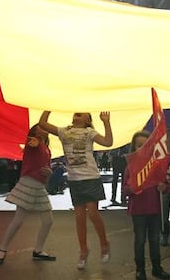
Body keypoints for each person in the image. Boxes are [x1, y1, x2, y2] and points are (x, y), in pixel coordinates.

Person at [39, 111, 112, 270]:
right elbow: (42, 124)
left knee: (92, 213)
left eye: (81, 114)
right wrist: (48, 108)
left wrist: (106, 122)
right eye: (75, 113)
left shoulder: (89, 132)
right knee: (79, 217)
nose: (76, 115)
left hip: (91, 177)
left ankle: (104, 243)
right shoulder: (64, 131)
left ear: (88, 119)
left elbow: (108, 142)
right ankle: (83, 250)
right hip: (74, 179)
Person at [0, 124, 55, 265]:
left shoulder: (47, 149)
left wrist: (49, 173)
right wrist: (32, 141)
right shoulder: (33, 142)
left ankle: (38, 251)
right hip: (28, 183)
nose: (44, 128)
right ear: (34, 131)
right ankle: (2, 249)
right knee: (19, 220)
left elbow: (47, 169)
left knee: (48, 221)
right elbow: (30, 144)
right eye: (40, 127)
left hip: (39, 186)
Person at [122, 130, 170, 280]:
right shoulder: (130, 168)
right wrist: (132, 189)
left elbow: (164, 184)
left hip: (155, 209)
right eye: (139, 146)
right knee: (140, 240)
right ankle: (140, 269)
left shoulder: (156, 166)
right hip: (138, 210)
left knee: (155, 240)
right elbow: (124, 190)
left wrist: (163, 186)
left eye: (146, 145)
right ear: (134, 148)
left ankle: (157, 267)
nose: (142, 149)